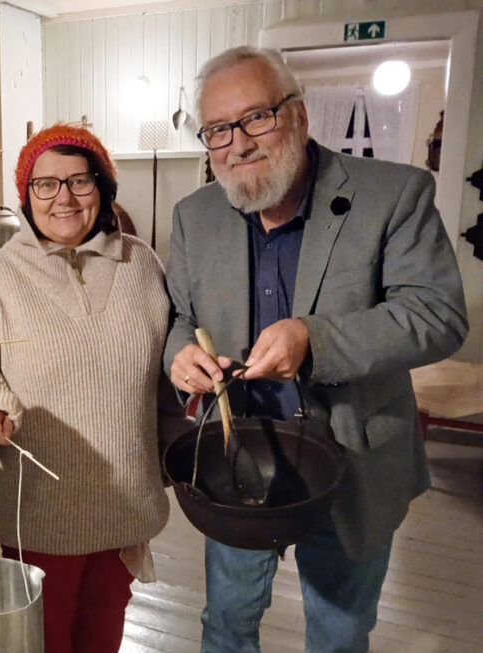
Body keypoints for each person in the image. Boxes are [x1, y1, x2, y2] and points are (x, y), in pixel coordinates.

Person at [164, 46, 467, 653]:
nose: (238, 144)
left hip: (352, 461)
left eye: (256, 117)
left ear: (298, 116)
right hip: (237, 457)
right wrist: (180, 354)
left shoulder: (394, 193)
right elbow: (179, 317)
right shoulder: (194, 216)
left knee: (338, 633)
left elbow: (438, 315)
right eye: (218, 129)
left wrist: (314, 339)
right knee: (226, 624)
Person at [0, 124, 178, 653]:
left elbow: (169, 368)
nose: (63, 197)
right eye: (45, 184)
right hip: (39, 508)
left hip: (124, 503)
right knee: (44, 640)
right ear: (27, 195)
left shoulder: (141, 264)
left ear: (103, 187)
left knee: (103, 634)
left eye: (79, 180)